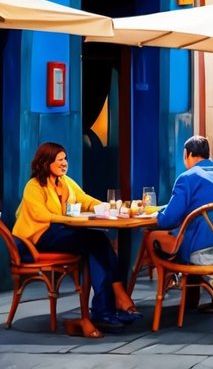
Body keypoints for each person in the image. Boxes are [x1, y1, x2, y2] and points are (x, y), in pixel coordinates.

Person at [15, 142, 141, 334]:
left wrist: (106, 206)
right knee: (94, 242)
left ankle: (108, 305)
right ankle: (111, 302)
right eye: (59, 160)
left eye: (65, 159)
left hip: (59, 232)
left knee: (98, 242)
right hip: (37, 239)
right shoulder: (33, 186)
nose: (64, 163)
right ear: (46, 162)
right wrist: (68, 219)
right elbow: (41, 216)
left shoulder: (65, 182)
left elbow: (85, 199)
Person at [147, 136, 213, 315]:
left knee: (149, 237)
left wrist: (156, 214)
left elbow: (168, 220)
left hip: (197, 250)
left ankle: (162, 291)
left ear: (188, 154)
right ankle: (194, 297)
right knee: (188, 231)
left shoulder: (187, 178)